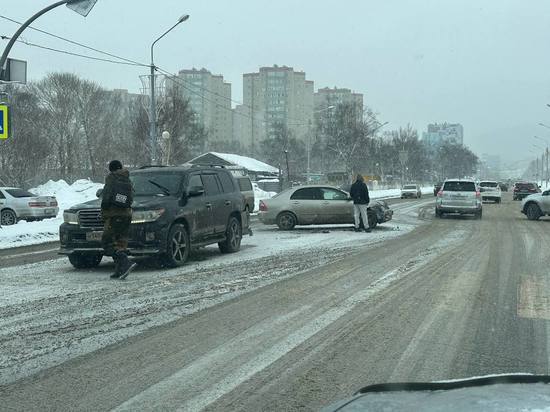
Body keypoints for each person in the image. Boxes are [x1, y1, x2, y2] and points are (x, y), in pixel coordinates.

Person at [101, 160, 136, 279]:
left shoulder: (111, 178)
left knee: (108, 242)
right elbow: (131, 198)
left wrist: (104, 210)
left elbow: (106, 197)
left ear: (111, 169)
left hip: (114, 215)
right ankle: (120, 270)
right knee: (121, 242)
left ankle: (125, 263)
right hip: (127, 214)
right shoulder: (127, 179)